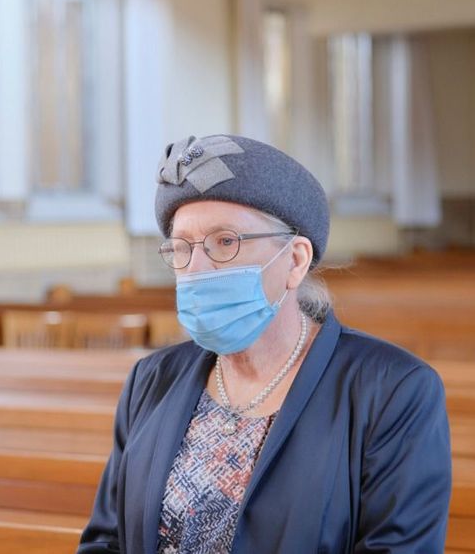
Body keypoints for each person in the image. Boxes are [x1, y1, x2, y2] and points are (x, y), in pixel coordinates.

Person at [79, 134, 451, 553]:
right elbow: (106, 540)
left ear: (294, 261)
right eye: (181, 248)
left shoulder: (394, 391)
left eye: (225, 242)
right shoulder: (151, 380)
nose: (196, 268)